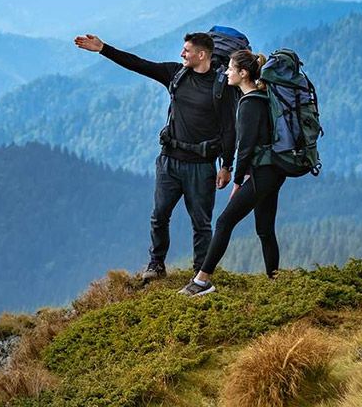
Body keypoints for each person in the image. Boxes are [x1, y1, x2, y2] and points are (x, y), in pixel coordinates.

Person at [74, 32, 238, 281]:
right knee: (159, 216)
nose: (182, 54)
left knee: (201, 223)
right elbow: (139, 64)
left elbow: (229, 128)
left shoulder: (221, 87)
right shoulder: (176, 74)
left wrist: (226, 166)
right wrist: (103, 48)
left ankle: (200, 274)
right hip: (169, 160)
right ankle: (156, 265)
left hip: (201, 166)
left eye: (187, 50)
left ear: (202, 55)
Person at [178, 49, 286, 296]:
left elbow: (245, 147)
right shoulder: (262, 98)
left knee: (224, 221)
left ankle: (202, 281)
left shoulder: (249, 104)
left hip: (261, 173)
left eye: (230, 68)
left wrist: (237, 181)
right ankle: (276, 282)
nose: (226, 72)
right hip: (274, 171)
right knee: (265, 229)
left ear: (243, 73)